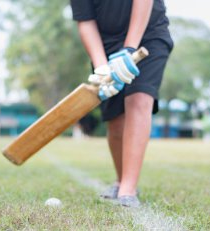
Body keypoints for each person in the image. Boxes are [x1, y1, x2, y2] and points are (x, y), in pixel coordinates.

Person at [70, 0, 173, 207]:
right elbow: (85, 20)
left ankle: (128, 189)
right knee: (116, 122)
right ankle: (121, 179)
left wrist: (128, 49)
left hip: (148, 34)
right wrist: (101, 67)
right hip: (106, 43)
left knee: (139, 99)